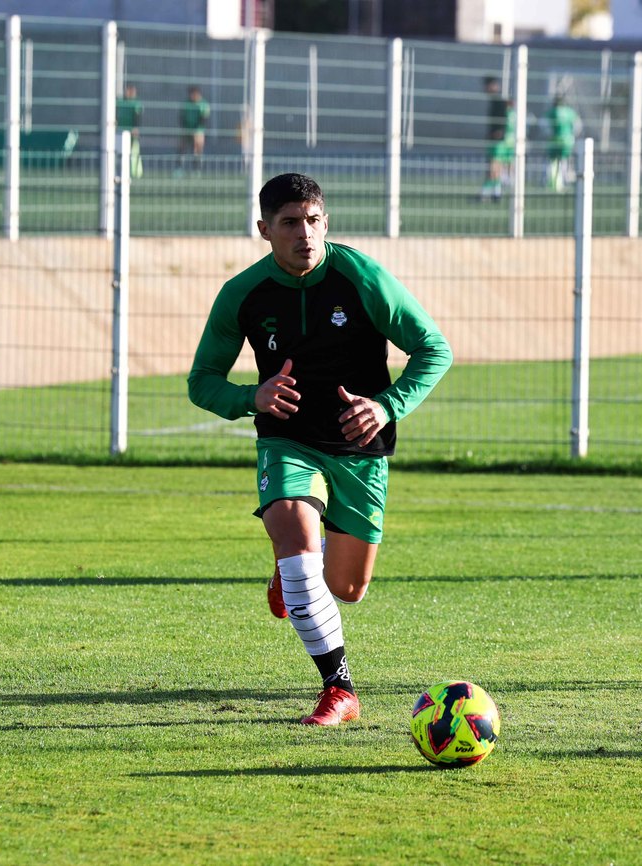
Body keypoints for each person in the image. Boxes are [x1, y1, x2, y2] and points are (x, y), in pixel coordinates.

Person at [188, 173, 452, 725]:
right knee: (296, 538)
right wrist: (249, 398)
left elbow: (434, 349)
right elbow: (202, 381)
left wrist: (386, 405)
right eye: (289, 223)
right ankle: (340, 688)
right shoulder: (243, 294)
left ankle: (291, 573)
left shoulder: (361, 277)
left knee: (346, 588)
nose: (303, 233)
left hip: (360, 445)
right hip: (287, 440)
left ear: (325, 223)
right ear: (264, 229)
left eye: (312, 220)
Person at [481, 76, 513, 202]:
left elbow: (503, 123)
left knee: (494, 168)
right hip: (501, 141)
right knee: (495, 168)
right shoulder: (497, 102)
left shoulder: (500, 102)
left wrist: (499, 131)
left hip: (500, 142)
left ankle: (489, 194)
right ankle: (495, 193)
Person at [544, 93, 581, 192]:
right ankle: (563, 181)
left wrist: (550, 134)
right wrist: (572, 135)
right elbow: (577, 125)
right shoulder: (570, 112)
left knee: (552, 161)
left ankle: (551, 182)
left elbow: (544, 126)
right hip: (567, 141)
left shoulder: (552, 112)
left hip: (554, 140)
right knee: (564, 161)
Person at [115, 84, 144, 179]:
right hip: (120, 131)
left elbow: (138, 117)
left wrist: (135, 128)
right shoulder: (120, 102)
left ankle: (133, 172)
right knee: (119, 151)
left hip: (130, 132)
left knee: (132, 151)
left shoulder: (136, 103)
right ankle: (119, 171)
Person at [180, 86, 211, 172]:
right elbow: (182, 117)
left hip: (198, 130)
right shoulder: (187, 103)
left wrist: (196, 130)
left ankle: (197, 168)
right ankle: (179, 167)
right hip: (187, 129)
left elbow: (204, 119)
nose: (191, 96)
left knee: (197, 148)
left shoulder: (203, 104)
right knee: (182, 147)